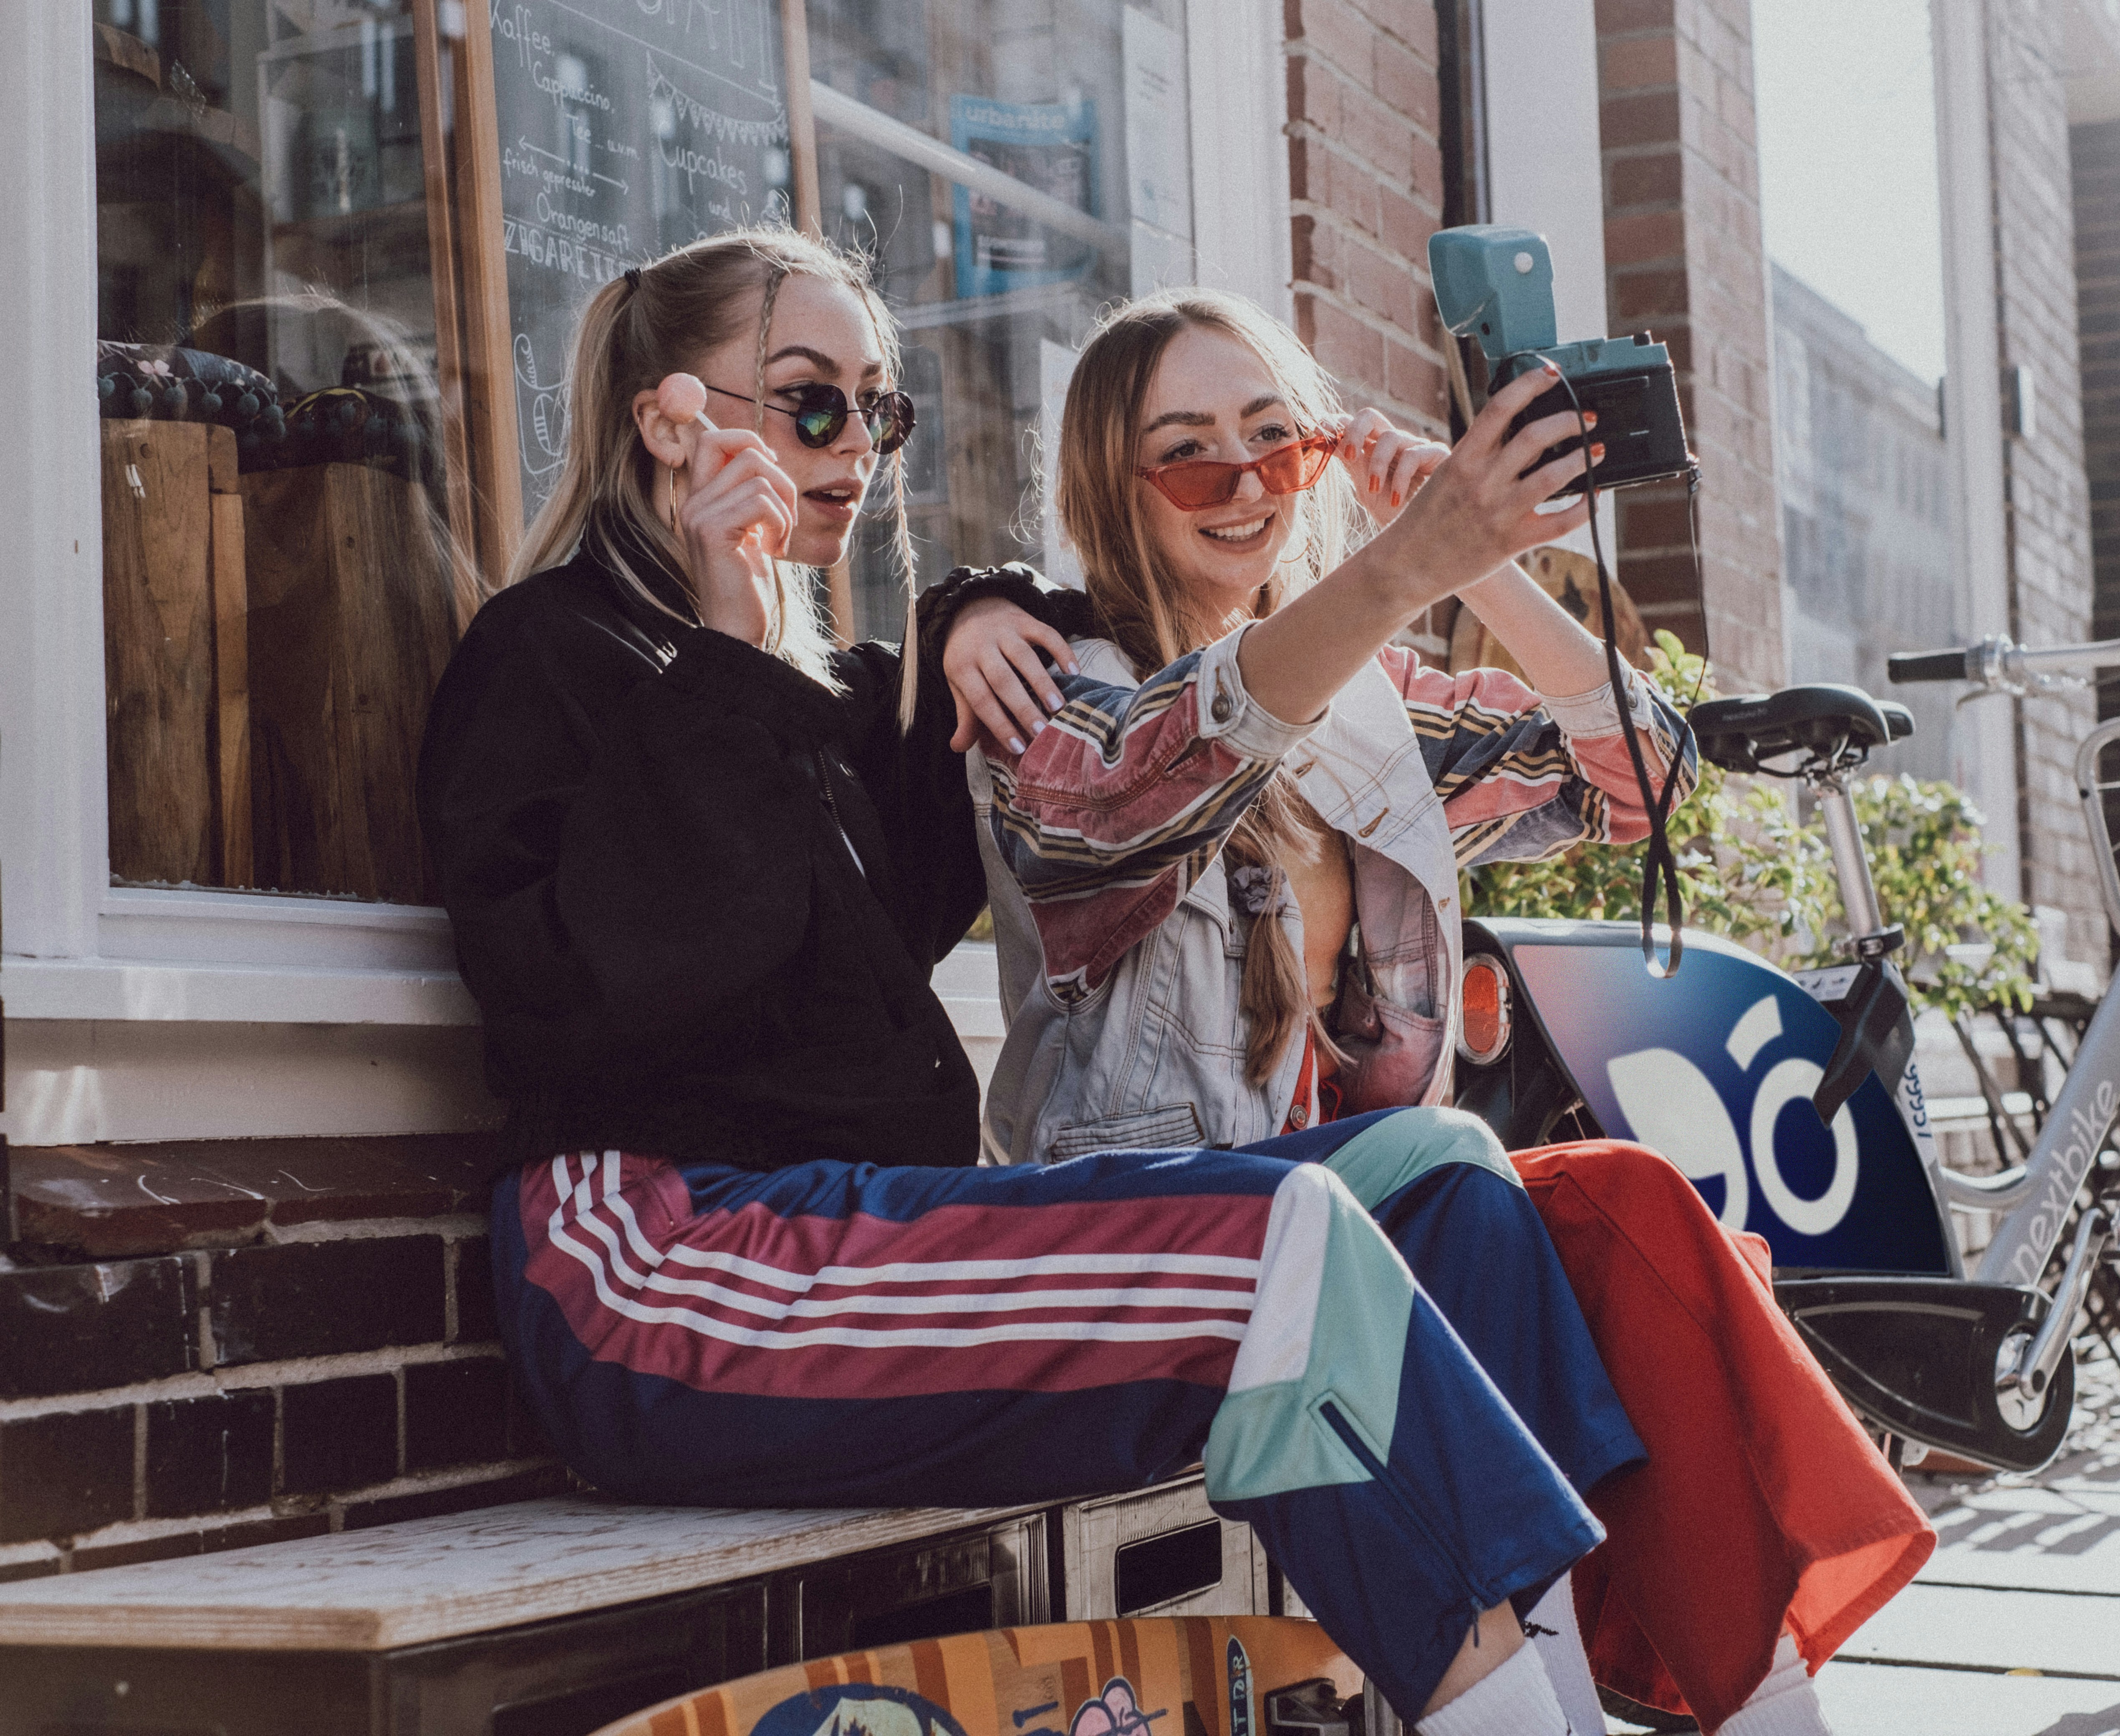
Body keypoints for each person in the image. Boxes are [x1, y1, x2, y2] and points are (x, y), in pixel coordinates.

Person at [416, 228, 1668, 1736]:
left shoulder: (845, 701)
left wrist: (978, 604)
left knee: (1455, 1180)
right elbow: (618, 994)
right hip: (657, 1266)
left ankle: (1571, 1708)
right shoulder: (553, 653)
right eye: (810, 402)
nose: (856, 448)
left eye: (879, 414)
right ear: (670, 420)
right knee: (1286, 1239)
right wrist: (736, 643)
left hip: (855, 1252)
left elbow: (1090, 751)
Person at [941, 286, 1936, 1736]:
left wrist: (1501, 567)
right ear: (1115, 484)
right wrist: (1405, 569)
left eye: (1274, 444)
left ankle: (1757, 1704)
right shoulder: (1063, 694)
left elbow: (1643, 783)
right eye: (1189, 456)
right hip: (1154, 1229)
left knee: (1629, 1213)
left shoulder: (1371, 708)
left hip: (1381, 1208)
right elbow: (1137, 791)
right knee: (1466, 1186)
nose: (1242, 487)